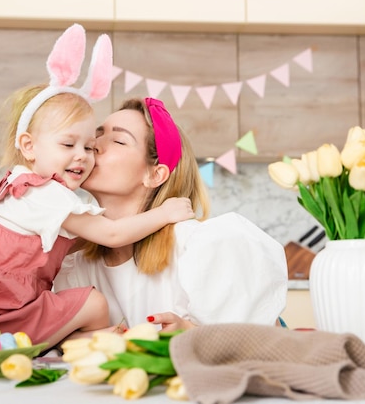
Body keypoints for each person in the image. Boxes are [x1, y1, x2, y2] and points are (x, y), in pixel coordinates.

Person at [0, 25, 194, 349]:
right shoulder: (45, 193)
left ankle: (77, 341)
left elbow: (75, 239)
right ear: (29, 145)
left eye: (89, 146)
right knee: (94, 304)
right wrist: (164, 212)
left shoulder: (23, 184)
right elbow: (109, 234)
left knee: (87, 305)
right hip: (0, 302)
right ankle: (79, 342)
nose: (84, 156)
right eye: (68, 144)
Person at [54, 97, 289, 332]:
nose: (93, 146)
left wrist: (188, 331)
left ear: (155, 175)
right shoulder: (75, 262)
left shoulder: (203, 246)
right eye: (97, 135)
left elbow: (258, 341)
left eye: (118, 140)